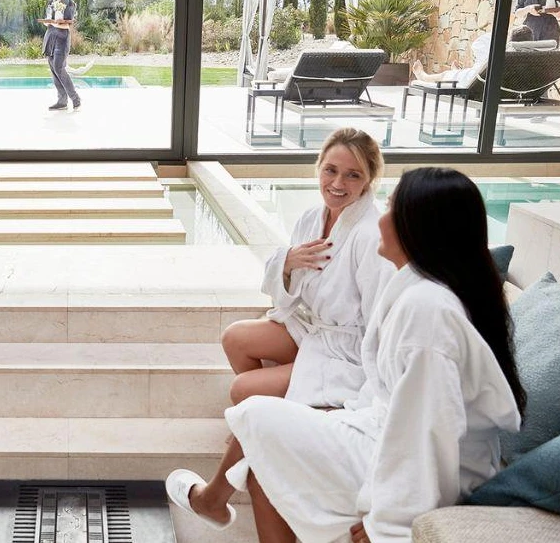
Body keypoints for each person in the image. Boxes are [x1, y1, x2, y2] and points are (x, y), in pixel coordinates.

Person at [167, 166, 525, 543]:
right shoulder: (422, 291)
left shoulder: (426, 310)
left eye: (389, 207)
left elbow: (429, 432)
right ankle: (211, 500)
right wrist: (349, 412)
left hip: (419, 468)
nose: (379, 218)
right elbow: (407, 403)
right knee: (265, 448)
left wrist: (388, 523)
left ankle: (210, 499)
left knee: (257, 415)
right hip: (379, 429)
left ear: (414, 227)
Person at [221, 127, 396, 408]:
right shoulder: (311, 218)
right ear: (319, 168)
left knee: (243, 389)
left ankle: (265, 412)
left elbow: (380, 318)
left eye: (353, 174)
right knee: (234, 338)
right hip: (311, 330)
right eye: (330, 170)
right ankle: (271, 413)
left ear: (368, 181)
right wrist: (287, 264)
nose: (338, 183)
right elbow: (284, 294)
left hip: (344, 349)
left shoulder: (370, 235)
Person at [410, 26, 536, 88]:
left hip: (477, 83)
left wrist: (503, 33)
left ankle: (423, 76)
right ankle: (457, 72)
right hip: (502, 85)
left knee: (445, 75)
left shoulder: (499, 54)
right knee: (470, 70)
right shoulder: (530, 58)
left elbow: (477, 44)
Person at [40, 0, 81, 111]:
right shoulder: (52, 2)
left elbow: (67, 25)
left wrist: (55, 23)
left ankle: (75, 98)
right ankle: (62, 100)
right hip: (50, 37)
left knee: (59, 67)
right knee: (53, 69)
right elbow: (47, 21)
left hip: (62, 39)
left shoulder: (70, 3)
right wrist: (49, 22)